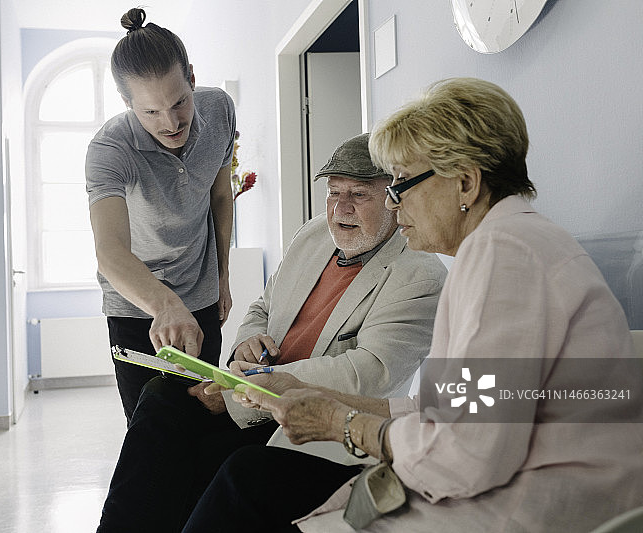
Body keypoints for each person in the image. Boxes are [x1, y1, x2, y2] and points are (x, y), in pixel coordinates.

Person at [182, 78, 643, 533]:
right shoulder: (510, 244)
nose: (394, 203)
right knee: (250, 476)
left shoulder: (504, 256)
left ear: (465, 184)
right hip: (519, 487)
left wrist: (340, 423)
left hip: (526, 507)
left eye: (402, 183)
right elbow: (448, 407)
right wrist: (307, 393)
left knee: (250, 481)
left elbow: (464, 456)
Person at [95, 133, 448, 533]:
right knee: (160, 398)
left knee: (202, 458)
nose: (341, 209)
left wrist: (245, 393)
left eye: (359, 195)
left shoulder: (419, 273)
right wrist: (247, 343)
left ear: (393, 196)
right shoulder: (313, 235)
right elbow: (263, 307)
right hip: (253, 387)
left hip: (309, 414)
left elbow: (370, 373)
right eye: (334, 193)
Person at [85, 7, 235, 422]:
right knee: (150, 433)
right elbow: (110, 251)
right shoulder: (109, 150)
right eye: (150, 111)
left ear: (191, 76)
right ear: (127, 103)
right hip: (136, 308)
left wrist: (222, 274)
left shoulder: (220, 109)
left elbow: (221, 196)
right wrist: (164, 305)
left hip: (202, 294)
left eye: (179, 102)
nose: (171, 123)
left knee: (204, 422)